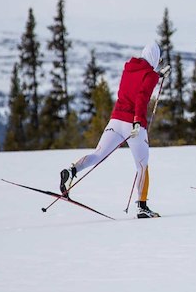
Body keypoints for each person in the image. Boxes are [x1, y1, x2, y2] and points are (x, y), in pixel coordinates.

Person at [59, 41, 169, 218]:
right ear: (155, 58)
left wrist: (156, 76)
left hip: (115, 121)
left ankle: (72, 171)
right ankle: (142, 206)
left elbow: (135, 86)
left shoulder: (129, 69)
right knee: (142, 166)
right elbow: (141, 97)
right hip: (133, 124)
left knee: (98, 154)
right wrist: (137, 122)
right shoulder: (149, 76)